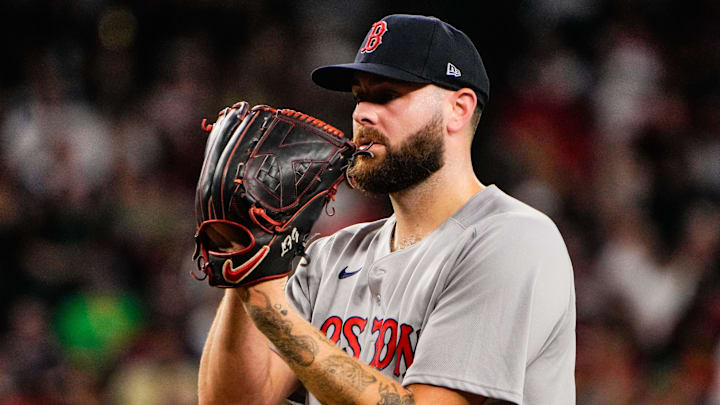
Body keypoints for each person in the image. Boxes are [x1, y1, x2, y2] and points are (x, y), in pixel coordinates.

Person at [198, 14, 576, 405]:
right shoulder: (330, 256)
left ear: (458, 109)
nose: (362, 113)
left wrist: (271, 306)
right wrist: (246, 265)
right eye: (359, 95)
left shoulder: (514, 239)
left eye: (387, 95)